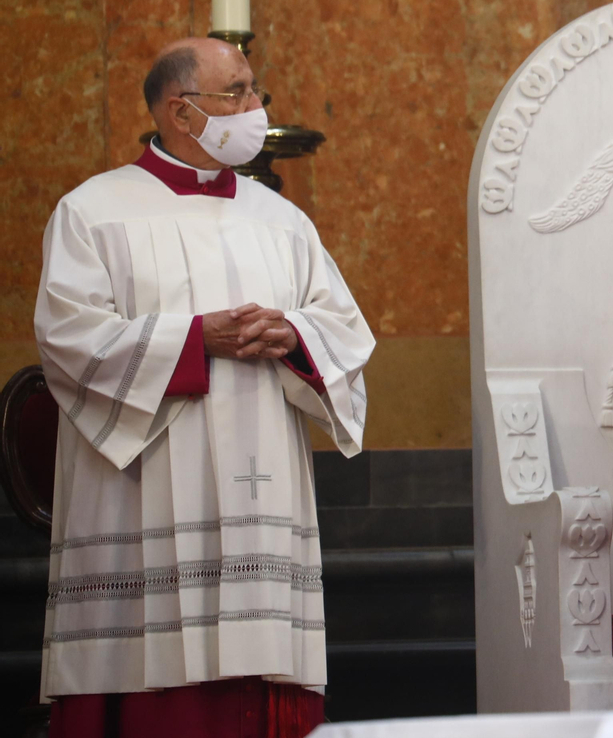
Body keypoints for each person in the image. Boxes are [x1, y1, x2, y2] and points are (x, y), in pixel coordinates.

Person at [35, 38, 373, 737]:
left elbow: (343, 327)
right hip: (148, 491)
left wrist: (295, 336)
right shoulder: (93, 213)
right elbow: (69, 341)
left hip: (262, 477)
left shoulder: (281, 219)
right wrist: (193, 341)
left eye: (255, 92)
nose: (257, 108)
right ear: (179, 111)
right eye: (239, 93)